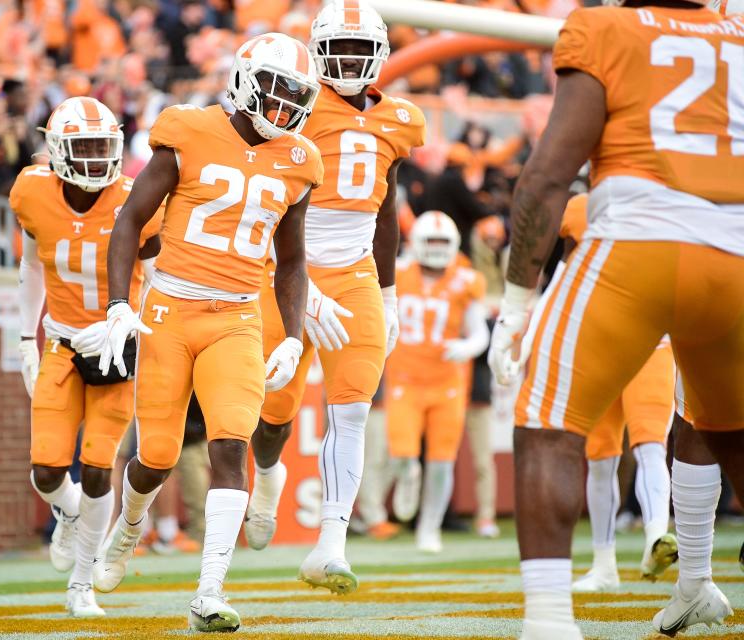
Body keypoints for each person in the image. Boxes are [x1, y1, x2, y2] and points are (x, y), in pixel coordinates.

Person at [486, 0, 744, 636]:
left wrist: (515, 304)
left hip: (639, 248)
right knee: (725, 428)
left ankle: (548, 622)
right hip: (737, 251)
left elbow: (547, 176)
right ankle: (695, 583)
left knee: (547, 423)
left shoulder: (602, 27)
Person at [71, 32, 322, 632]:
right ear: (243, 81)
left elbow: (291, 261)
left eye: (296, 98)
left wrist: (290, 334)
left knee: (231, 443)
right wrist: (115, 305)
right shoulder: (186, 129)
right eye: (275, 92)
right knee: (155, 457)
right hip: (169, 313)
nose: (284, 110)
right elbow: (129, 221)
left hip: (236, 315)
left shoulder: (299, 159)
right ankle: (128, 529)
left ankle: (209, 591)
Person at [243, 0, 425, 595]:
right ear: (319, 49)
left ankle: (331, 545)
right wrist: (305, 291)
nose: (348, 60)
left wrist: (391, 294)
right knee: (275, 409)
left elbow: (387, 212)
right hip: (287, 273)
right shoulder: (295, 103)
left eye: (359, 49)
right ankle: (266, 474)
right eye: (338, 48)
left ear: (379, 53)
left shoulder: (398, 119)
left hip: (355, 276)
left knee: (352, 409)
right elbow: (267, 199)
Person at [11, 96, 162, 618]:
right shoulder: (32, 190)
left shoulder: (135, 198)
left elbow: (159, 275)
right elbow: (32, 267)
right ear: (57, 151)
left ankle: (81, 585)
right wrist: (26, 339)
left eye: (105, 146)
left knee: (100, 469)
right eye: (85, 147)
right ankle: (71, 516)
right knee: (47, 470)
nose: (98, 158)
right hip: (61, 341)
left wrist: (135, 326)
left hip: (116, 347)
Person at [527, 194, 675, 593]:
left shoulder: (661, 204)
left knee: (648, 446)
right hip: (601, 346)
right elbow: (558, 272)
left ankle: (656, 537)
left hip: (648, 342)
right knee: (603, 456)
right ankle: (608, 563)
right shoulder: (579, 208)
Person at [385, 212, 489, 552]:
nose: (436, 247)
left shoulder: (466, 280)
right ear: (416, 242)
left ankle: (429, 528)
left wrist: (466, 346)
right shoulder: (397, 272)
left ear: (455, 244)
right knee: (402, 453)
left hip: (447, 383)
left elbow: (480, 333)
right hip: (404, 378)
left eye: (442, 242)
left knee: (442, 461)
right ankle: (406, 475)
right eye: (430, 240)